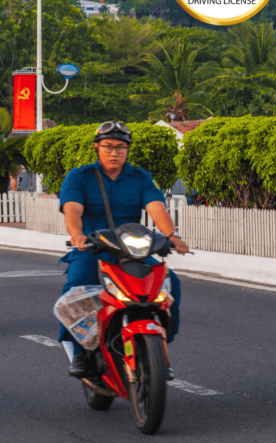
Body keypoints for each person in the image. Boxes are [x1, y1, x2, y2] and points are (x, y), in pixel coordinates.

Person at [58, 121, 190, 379]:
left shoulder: (140, 178)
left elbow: (156, 207)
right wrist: (77, 235)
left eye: (120, 147)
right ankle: (80, 352)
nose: (114, 152)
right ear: (97, 147)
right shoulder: (80, 176)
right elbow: (72, 208)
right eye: (108, 146)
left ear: (128, 150)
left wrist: (171, 234)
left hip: (132, 251)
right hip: (92, 249)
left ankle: (158, 347)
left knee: (168, 283)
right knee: (79, 284)